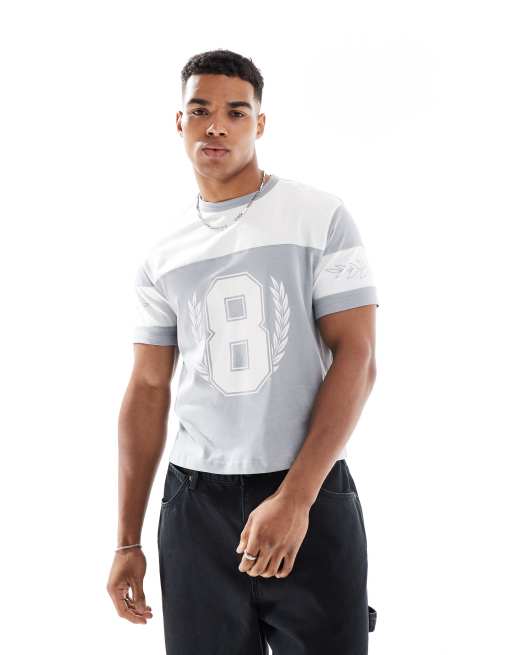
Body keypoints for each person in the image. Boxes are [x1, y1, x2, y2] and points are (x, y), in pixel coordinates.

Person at [106, 48, 379, 654]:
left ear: (260, 122)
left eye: (236, 112)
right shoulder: (162, 253)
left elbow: (357, 360)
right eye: (200, 110)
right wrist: (127, 540)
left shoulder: (319, 217)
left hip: (307, 485)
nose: (217, 126)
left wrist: (296, 499)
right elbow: (147, 388)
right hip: (195, 504)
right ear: (180, 121)